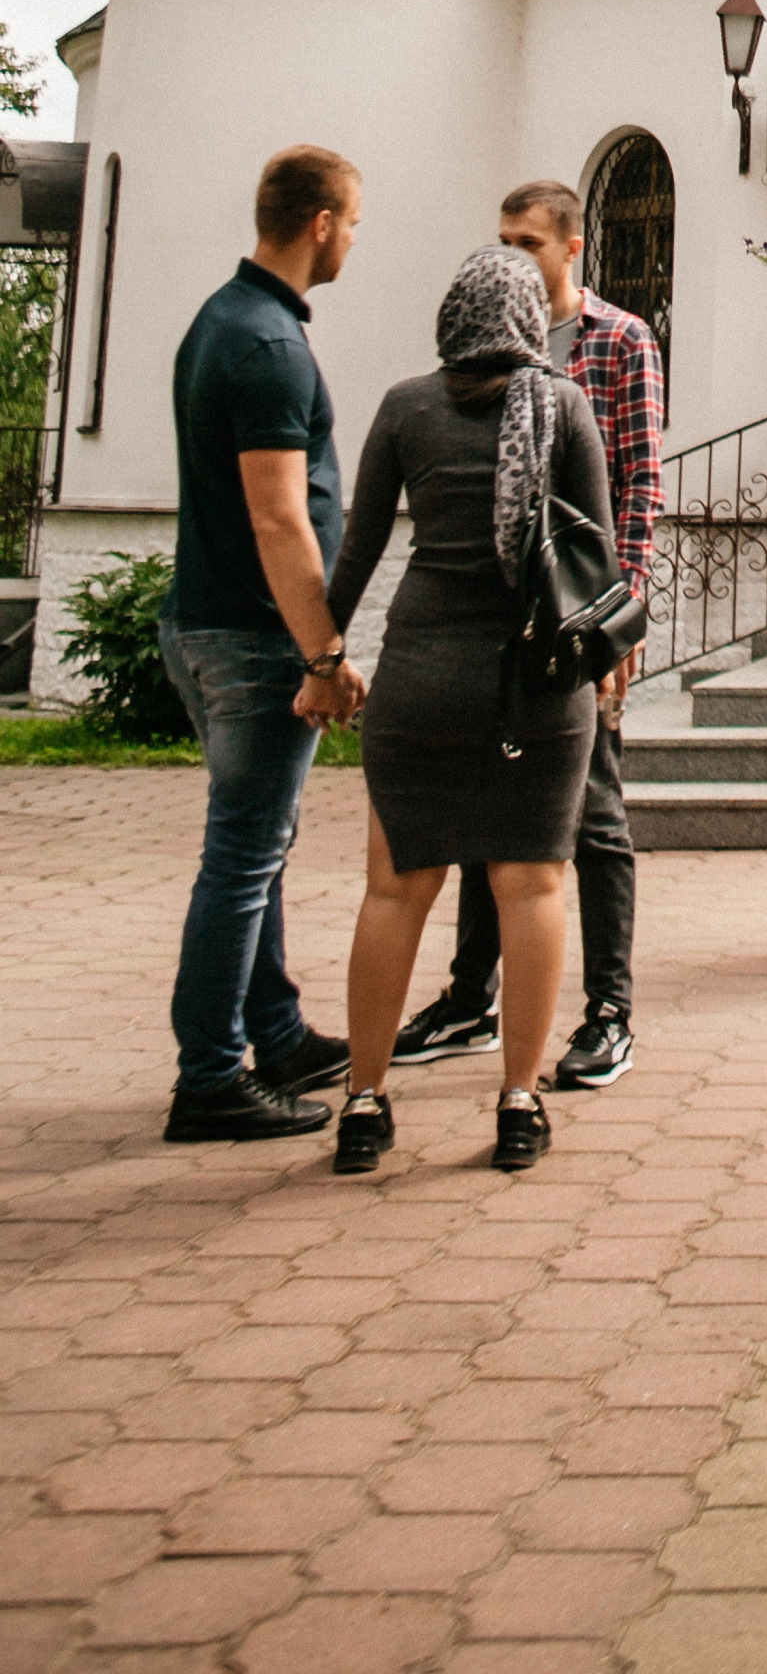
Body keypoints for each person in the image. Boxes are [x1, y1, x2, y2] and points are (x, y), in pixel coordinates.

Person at [323, 245, 611, 1176]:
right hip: (535, 687)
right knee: (531, 887)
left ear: (451, 319)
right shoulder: (563, 405)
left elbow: (359, 547)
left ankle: (364, 1104)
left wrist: (320, 660)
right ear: (529, 322)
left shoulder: (405, 408)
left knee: (395, 888)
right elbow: (596, 557)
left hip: (420, 677)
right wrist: (606, 669)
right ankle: (519, 1103)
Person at [393, 178, 663, 1090]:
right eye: (502, 239)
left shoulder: (618, 341)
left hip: (573, 615)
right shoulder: (482, 341)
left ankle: (610, 1012)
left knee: (596, 814)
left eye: (528, 242)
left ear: (572, 247)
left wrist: (616, 618)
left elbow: (639, 483)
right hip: (487, 617)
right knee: (490, 808)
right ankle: (471, 996)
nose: (509, 255)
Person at [160, 145, 365, 1145]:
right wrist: (322, 653)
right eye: (352, 223)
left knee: (258, 847)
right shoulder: (270, 346)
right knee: (243, 856)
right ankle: (209, 1076)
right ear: (320, 223)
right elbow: (279, 516)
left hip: (205, 618)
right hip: (252, 635)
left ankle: (276, 1034)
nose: (353, 241)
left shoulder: (221, 319)